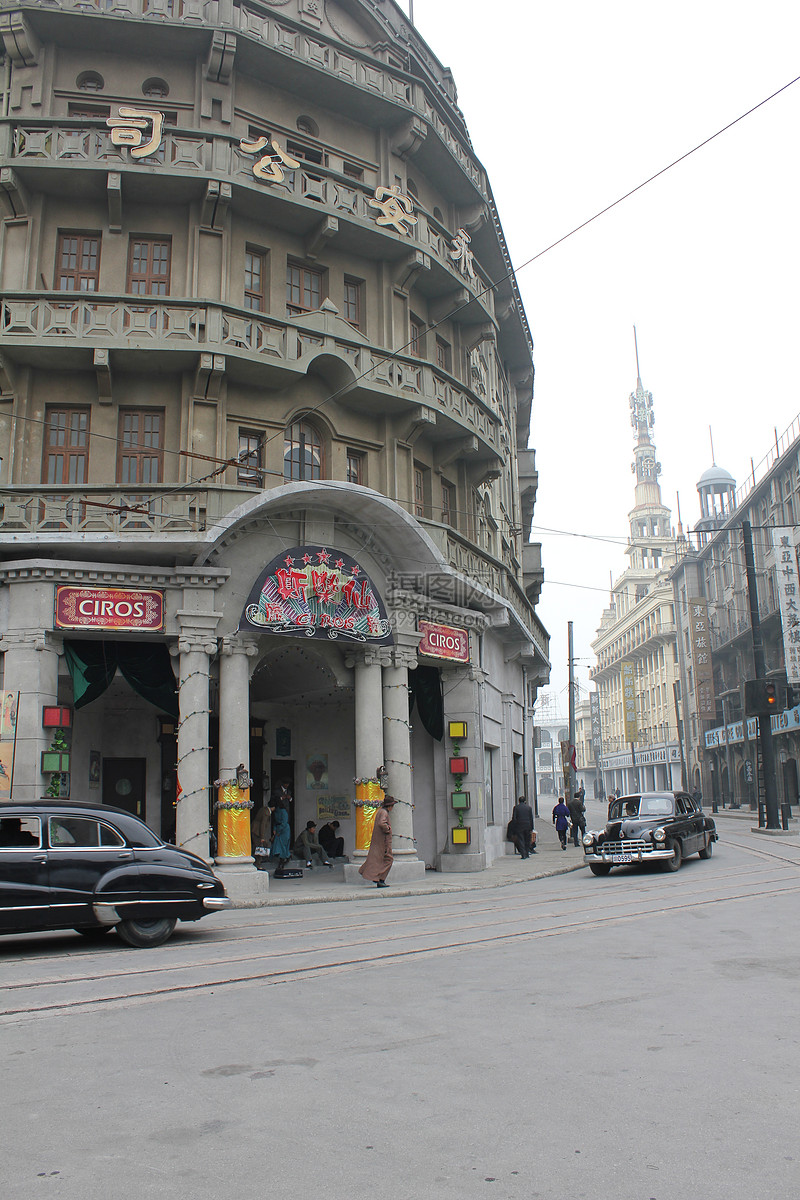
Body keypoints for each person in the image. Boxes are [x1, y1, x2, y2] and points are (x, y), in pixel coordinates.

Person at [359, 796, 396, 887]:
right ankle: (380, 878)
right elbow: (382, 823)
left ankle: (375, 876)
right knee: (388, 860)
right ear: (390, 806)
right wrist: (388, 829)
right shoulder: (384, 812)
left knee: (376, 860)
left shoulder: (381, 811)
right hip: (383, 841)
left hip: (380, 841)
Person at [268, 800, 291, 870]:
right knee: (278, 844)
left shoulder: (283, 811)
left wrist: (278, 831)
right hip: (278, 829)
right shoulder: (275, 812)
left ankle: (283, 860)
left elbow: (284, 823)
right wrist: (274, 829)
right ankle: (283, 858)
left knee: (283, 845)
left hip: (284, 830)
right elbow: (275, 822)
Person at [251, 802, 272, 870]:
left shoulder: (263, 809)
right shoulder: (266, 813)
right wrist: (262, 837)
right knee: (259, 848)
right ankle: (257, 864)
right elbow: (262, 825)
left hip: (254, 829)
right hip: (257, 831)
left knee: (256, 847)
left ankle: (256, 863)